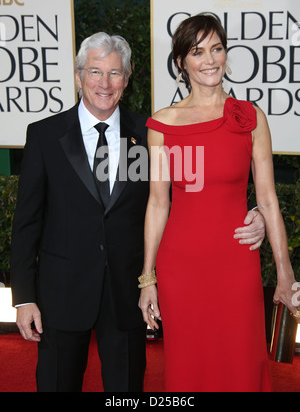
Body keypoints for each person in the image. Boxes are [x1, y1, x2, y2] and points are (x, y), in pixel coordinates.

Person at [10, 31, 265, 393]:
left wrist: (256, 212)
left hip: (126, 297)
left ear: (127, 80)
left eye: (115, 73)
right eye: (95, 72)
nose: (105, 83)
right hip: (61, 297)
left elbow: (193, 188)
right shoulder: (45, 135)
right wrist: (24, 297)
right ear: (78, 76)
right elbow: (27, 222)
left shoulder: (148, 133)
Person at [138, 14, 299, 392]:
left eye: (217, 48)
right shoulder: (161, 125)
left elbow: (268, 199)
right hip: (181, 266)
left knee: (241, 359)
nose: (209, 60)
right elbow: (158, 205)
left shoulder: (250, 118)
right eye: (197, 52)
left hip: (235, 260)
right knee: (190, 363)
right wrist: (148, 279)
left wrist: (284, 271)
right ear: (182, 62)